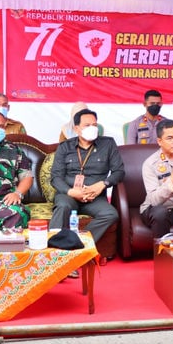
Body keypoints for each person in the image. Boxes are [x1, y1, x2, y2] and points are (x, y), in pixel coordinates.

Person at [50, 108, 124, 261]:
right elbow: (55, 177)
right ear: (76, 128)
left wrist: (103, 184)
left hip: (94, 197)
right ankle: (53, 254)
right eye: (87, 125)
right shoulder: (65, 147)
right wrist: (71, 192)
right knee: (62, 206)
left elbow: (119, 171)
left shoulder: (108, 144)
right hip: (70, 195)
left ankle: (77, 247)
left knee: (111, 214)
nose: (92, 128)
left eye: (94, 125)